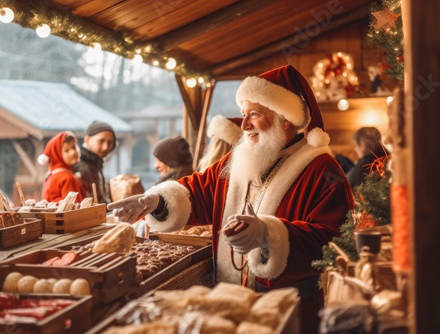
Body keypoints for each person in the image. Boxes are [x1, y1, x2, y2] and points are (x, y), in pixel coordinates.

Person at [108, 65, 354, 333]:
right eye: (243, 114)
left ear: (285, 118)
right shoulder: (237, 160)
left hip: (288, 309)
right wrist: (156, 201)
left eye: (255, 114)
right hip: (230, 305)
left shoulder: (323, 170)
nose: (245, 125)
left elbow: (338, 242)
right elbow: (199, 191)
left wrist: (268, 235)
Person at [75, 121, 116, 204]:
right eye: (101, 141)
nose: (106, 147)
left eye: (110, 142)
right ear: (87, 140)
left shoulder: (96, 163)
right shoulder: (82, 167)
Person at [38, 131, 84, 203]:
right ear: (57, 155)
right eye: (67, 150)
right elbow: (74, 207)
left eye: (74, 147)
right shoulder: (67, 178)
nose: (73, 152)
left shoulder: (51, 175)